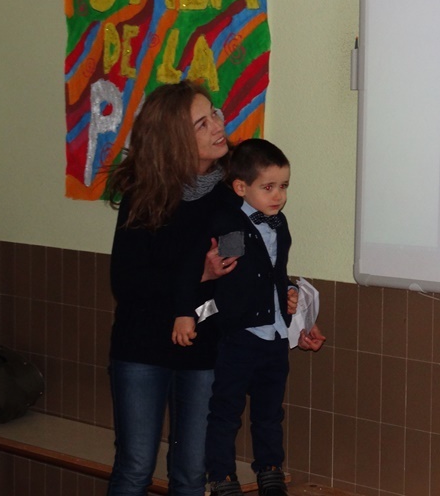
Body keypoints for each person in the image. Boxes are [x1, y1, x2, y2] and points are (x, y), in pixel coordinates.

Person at [104, 80, 237, 496]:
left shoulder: (231, 193)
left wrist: (289, 297)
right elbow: (127, 282)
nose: (218, 126)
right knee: (135, 468)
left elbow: (239, 262)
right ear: (174, 139)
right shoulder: (144, 195)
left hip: (204, 349)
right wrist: (198, 274)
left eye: (214, 114)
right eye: (202, 123)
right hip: (141, 347)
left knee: (192, 474)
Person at [202, 139, 325, 496]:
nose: (279, 196)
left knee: (270, 411)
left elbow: (274, 272)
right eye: (268, 187)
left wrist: (289, 293)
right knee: (226, 409)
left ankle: (270, 468)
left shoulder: (279, 224)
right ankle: (221, 475)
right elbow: (232, 275)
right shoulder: (230, 224)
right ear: (241, 187)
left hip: (274, 333)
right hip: (240, 333)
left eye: (283, 186)